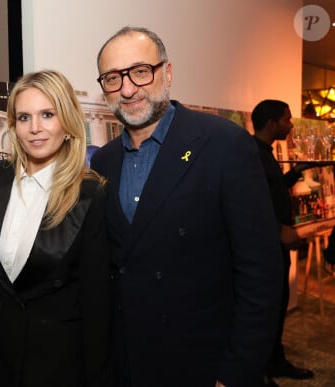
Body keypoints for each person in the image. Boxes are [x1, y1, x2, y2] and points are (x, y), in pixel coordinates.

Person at [90, 26, 284, 387]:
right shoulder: (104, 161)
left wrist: (237, 372)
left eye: (140, 71)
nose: (128, 88)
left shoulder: (225, 145)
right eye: (113, 78)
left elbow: (260, 272)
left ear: (167, 72)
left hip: (204, 362)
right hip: (131, 361)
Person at [0, 70, 112, 387]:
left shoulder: (90, 194)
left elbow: (97, 302)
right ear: (14, 125)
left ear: (68, 123)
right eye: (24, 117)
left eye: (47, 115)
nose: (35, 128)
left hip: (60, 368)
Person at [251, 99, 314, 385]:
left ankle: (276, 362)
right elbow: (250, 203)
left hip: (275, 246)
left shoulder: (265, 152)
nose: (290, 125)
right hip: (263, 248)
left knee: (278, 304)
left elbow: (270, 189)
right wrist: (279, 230)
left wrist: (294, 173)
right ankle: (260, 370)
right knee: (265, 309)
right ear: (271, 122)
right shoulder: (252, 154)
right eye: (287, 120)